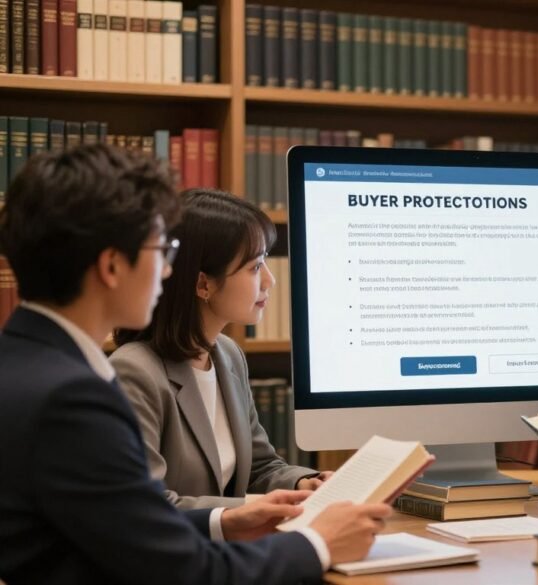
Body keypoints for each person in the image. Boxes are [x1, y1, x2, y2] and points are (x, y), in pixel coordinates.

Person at [0, 145, 391, 584]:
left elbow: (128, 528)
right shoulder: (71, 398)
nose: (168, 271)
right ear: (112, 265)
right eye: (161, 250)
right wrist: (318, 543)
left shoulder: (26, 364)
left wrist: (229, 518)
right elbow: (180, 569)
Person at [111, 189, 322, 509]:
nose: (270, 280)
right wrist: (246, 512)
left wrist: (304, 482)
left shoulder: (228, 354)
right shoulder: (134, 372)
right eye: (255, 267)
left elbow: (259, 467)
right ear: (203, 284)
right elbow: (145, 504)